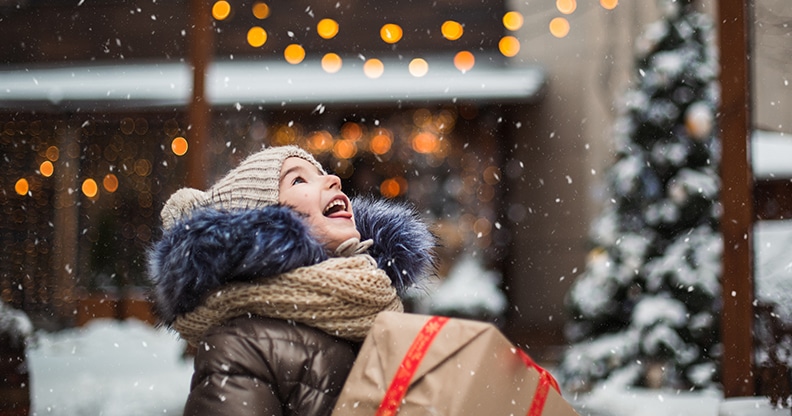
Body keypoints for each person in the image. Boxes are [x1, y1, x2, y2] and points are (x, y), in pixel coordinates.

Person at [147, 145, 436, 415]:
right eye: (298, 181)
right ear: (266, 223)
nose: (334, 180)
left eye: (324, 174)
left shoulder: (380, 314)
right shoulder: (243, 345)